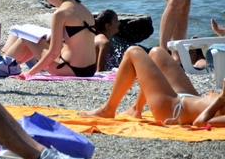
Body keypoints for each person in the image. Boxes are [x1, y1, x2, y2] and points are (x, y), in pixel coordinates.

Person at [80, 46, 225, 127]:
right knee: (157, 52)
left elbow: (200, 122)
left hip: (174, 111)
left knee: (133, 52)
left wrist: (221, 98)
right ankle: (136, 108)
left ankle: (108, 109)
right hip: (189, 97)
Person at [1, 0, 97, 78]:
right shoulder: (83, 8)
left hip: (69, 68)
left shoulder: (60, 13)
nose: (48, 3)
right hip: (90, 69)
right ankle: (8, 65)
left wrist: (29, 73)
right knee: (43, 38)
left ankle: (1, 67)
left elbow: (53, 53)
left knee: (26, 38)